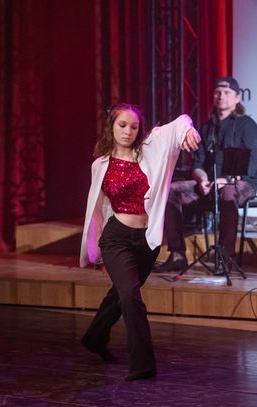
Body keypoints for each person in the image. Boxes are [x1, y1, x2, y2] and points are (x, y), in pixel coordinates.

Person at [79, 103, 200, 381]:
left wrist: (188, 131)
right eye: (122, 125)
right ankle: (143, 364)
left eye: (133, 127)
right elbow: (97, 210)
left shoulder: (150, 152)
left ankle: (95, 337)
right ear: (111, 126)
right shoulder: (100, 165)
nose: (128, 131)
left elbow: (179, 123)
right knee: (130, 297)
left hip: (146, 240)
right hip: (116, 238)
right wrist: (98, 251)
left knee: (122, 293)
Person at [155, 76, 257, 272]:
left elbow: (251, 165)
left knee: (228, 192)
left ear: (237, 98)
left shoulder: (247, 125)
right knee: (170, 190)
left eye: (227, 92)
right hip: (210, 184)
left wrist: (225, 180)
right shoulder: (207, 127)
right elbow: (197, 163)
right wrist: (202, 179)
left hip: (242, 183)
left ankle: (226, 257)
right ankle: (177, 254)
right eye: (217, 92)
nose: (221, 96)